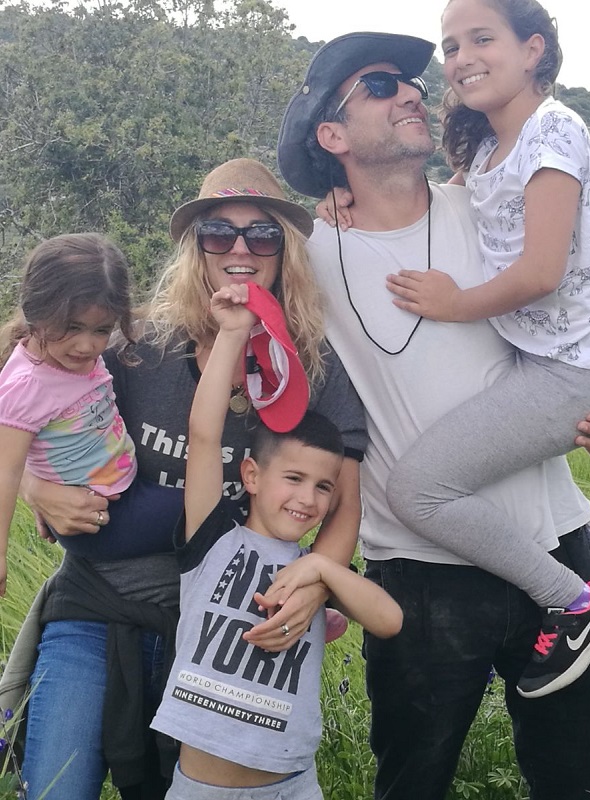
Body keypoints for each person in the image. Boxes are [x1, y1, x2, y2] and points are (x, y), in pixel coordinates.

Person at [277, 31, 590, 800]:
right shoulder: (306, 253)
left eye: (413, 82)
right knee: (411, 784)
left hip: (553, 540)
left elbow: (581, 299)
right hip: (420, 575)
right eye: (379, 85)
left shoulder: (488, 209)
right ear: (332, 135)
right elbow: (218, 269)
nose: (410, 92)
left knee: (579, 778)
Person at [12, 159, 367, 800]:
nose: (240, 249)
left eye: (263, 234)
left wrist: (316, 583)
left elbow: (344, 504)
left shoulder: (313, 366)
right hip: (98, 604)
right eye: (218, 232)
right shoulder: (134, 345)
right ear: (196, 247)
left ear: (285, 250)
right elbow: (23, 406)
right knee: (57, 785)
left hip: (220, 630)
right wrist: (36, 489)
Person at [378, 0, 590, 700]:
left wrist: (454, 303)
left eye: (481, 38)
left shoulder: (554, 131)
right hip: (539, 357)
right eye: (450, 46)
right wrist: (342, 203)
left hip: (574, 369)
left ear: (533, 49)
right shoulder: (484, 149)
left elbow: (541, 272)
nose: (462, 57)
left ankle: (574, 600)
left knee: (418, 490)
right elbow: (441, 208)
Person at [151, 281, 402, 800]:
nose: (308, 498)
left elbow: (389, 621)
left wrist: (325, 570)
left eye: (323, 487)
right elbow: (204, 433)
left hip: (291, 787)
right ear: (251, 475)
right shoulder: (212, 540)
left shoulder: (316, 573)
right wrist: (233, 333)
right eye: (294, 479)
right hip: (200, 789)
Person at [0, 233, 136, 597]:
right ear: (36, 312)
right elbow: (5, 470)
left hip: (117, 488)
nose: (87, 345)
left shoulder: (72, 360)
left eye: (102, 330)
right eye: (72, 327)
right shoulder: (28, 386)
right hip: (90, 515)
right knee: (200, 516)